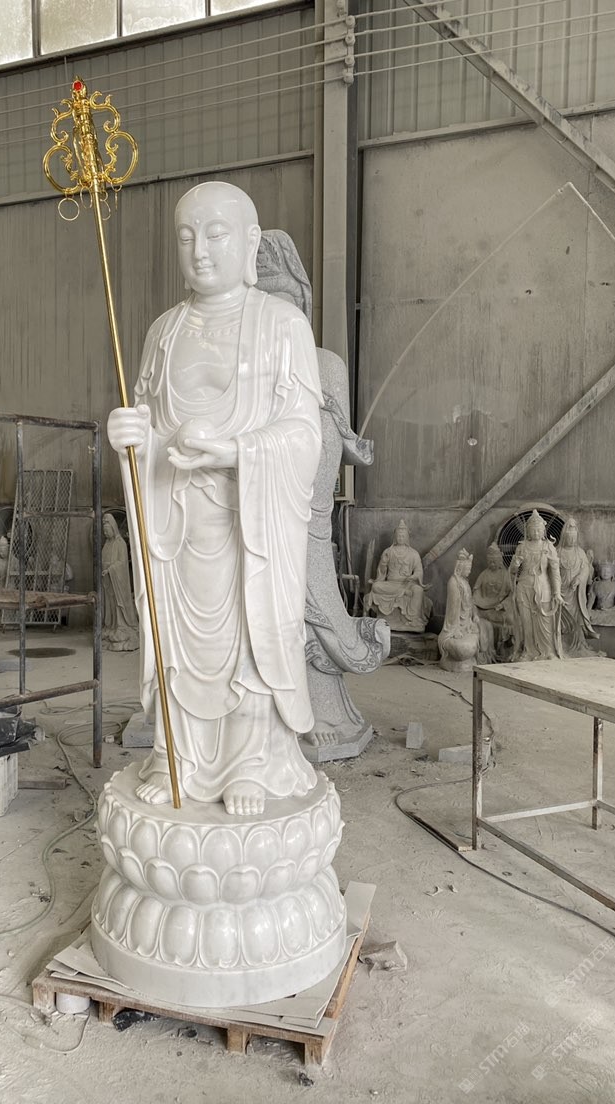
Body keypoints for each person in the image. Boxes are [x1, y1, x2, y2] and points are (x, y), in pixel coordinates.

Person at [107, 181, 321, 816]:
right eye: (186, 236)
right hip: (176, 524)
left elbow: (305, 434)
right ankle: (179, 756)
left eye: (216, 234)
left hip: (248, 525)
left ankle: (251, 762)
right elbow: (148, 424)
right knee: (179, 646)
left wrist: (234, 452)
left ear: (250, 243)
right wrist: (130, 437)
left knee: (251, 641)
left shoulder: (282, 325)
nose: (200, 250)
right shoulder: (163, 332)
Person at [256, 229, 388, 747]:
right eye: (261, 305)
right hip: (245, 513)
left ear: (302, 307)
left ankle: (320, 710)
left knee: (311, 607)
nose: (274, 320)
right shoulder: (238, 370)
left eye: (285, 304)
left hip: (302, 515)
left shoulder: (325, 366)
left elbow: (331, 452)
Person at [509, 510, 563, 661]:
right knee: (526, 622)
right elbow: (513, 572)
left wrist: (557, 593)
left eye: (539, 529)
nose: (536, 532)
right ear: (527, 531)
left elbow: (555, 571)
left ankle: (548, 651)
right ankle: (528, 651)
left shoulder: (548, 547)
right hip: (524, 587)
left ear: (544, 530)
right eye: (533, 529)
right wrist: (515, 564)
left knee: (545, 621)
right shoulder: (522, 547)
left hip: (543, 587)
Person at [364, 519, 432, 632]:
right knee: (376, 587)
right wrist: (383, 563)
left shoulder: (413, 553)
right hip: (391, 584)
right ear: (395, 537)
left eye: (403, 536)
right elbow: (381, 572)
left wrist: (413, 577)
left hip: (407, 584)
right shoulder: (388, 551)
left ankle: (413, 620)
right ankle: (402, 596)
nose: (400, 538)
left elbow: (419, 571)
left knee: (418, 590)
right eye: (398, 536)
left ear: (407, 537)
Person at [438, 549, 494, 671]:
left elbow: (470, 603)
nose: (469, 571)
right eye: (467, 569)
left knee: (488, 626)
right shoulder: (454, 583)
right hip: (456, 626)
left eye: (470, 569)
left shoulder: (465, 582)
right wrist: (456, 629)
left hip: (468, 623)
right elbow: (453, 611)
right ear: (460, 568)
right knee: (463, 648)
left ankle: (484, 658)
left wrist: (475, 615)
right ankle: (464, 657)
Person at [557, 517, 598, 656]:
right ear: (564, 537)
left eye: (574, 538)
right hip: (561, 590)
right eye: (569, 538)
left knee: (576, 619)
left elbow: (585, 569)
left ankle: (577, 644)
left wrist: (579, 579)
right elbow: (551, 570)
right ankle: (560, 644)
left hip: (575, 594)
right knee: (559, 619)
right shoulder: (558, 552)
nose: (571, 541)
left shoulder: (580, 552)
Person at [101, 514, 138, 651]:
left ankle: (122, 626)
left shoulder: (120, 543)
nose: (105, 533)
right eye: (104, 531)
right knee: (110, 604)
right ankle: (111, 626)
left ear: (113, 528)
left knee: (118, 603)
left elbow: (122, 563)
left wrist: (110, 569)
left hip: (118, 580)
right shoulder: (107, 544)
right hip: (108, 581)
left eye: (107, 530)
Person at [472, 542, 513, 656]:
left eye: (494, 561)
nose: (492, 564)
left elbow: (512, 594)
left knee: (511, 619)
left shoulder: (505, 575)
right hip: (483, 607)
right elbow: (476, 591)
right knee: (473, 611)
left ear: (500, 561)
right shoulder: (484, 574)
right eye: (490, 561)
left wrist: (503, 604)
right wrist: (476, 600)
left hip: (498, 609)